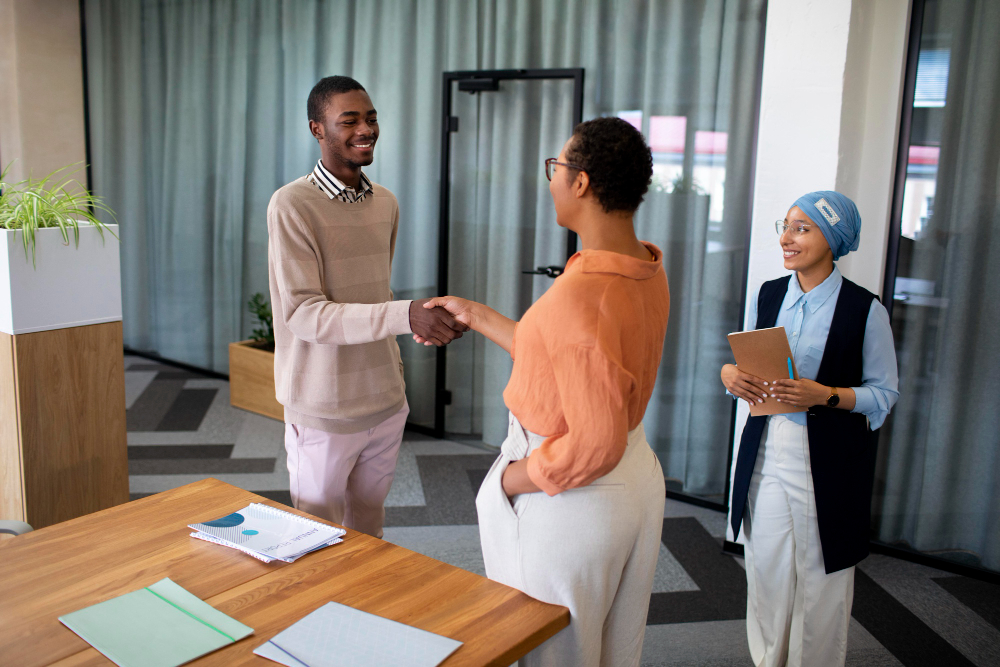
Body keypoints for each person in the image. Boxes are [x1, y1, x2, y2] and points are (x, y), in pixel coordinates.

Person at [416, 117, 670, 666]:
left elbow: (594, 444)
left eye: (556, 166)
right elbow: (569, 356)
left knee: (546, 652)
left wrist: (509, 481)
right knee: (613, 650)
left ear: (580, 182)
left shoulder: (581, 297)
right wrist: (477, 314)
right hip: (635, 475)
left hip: (572, 494)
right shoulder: (644, 265)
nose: (551, 178)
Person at [266, 75, 465, 538]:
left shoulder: (386, 203)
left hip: (386, 401)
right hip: (324, 408)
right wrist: (406, 315)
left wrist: (411, 323)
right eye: (349, 120)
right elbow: (305, 314)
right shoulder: (291, 205)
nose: (366, 130)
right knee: (314, 537)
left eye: (371, 118)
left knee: (369, 534)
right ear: (317, 129)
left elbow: (377, 295)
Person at [722, 191, 899, 667]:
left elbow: (884, 394)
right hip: (766, 449)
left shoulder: (865, 309)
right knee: (765, 569)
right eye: (786, 226)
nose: (787, 237)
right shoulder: (769, 293)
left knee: (823, 580)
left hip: (827, 458)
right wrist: (730, 375)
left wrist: (826, 395)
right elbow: (748, 364)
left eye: (801, 228)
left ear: (834, 239)